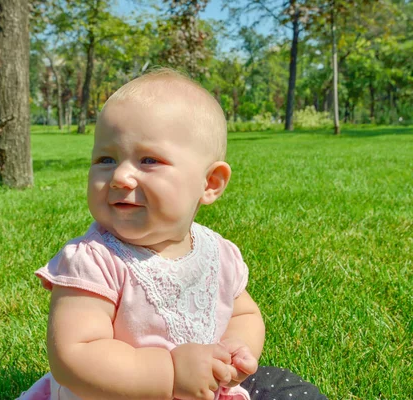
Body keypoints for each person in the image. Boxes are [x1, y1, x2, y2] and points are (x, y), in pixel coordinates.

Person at [18, 69, 326, 400]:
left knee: (289, 390)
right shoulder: (93, 260)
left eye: (148, 160)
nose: (121, 176)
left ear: (210, 184)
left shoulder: (217, 252)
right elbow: (74, 356)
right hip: (117, 394)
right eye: (106, 159)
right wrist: (171, 373)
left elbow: (244, 313)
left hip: (203, 390)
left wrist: (235, 349)